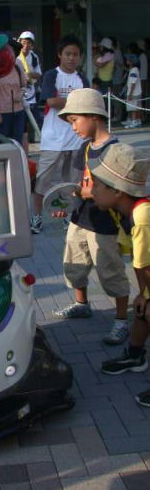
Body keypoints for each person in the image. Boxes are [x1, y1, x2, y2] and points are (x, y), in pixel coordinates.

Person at [51, 88, 130, 345]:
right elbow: (78, 182)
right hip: (80, 218)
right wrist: (66, 201)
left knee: (110, 272)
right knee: (74, 263)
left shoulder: (117, 152)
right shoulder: (84, 148)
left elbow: (120, 192)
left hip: (105, 225)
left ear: (94, 116)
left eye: (75, 120)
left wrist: (86, 192)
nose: (73, 127)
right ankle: (81, 304)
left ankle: (121, 320)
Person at [90, 144, 150, 406]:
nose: (91, 191)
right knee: (143, 309)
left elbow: (147, 266)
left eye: (96, 186)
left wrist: (147, 295)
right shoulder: (123, 212)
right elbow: (140, 262)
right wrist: (143, 294)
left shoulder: (143, 215)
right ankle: (135, 356)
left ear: (117, 191)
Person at [30, 34, 89, 234]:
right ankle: (36, 217)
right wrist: (77, 100)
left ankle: (68, 216)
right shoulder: (51, 75)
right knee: (43, 181)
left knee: (71, 182)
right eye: (68, 54)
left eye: (75, 54)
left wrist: (69, 101)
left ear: (80, 57)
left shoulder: (82, 78)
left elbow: (88, 103)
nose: (71, 58)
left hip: (77, 139)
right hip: (53, 139)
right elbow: (51, 102)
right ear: (59, 55)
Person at [0, 39, 26, 145]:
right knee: (2, 142)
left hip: (18, 111)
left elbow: (24, 85)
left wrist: (20, 94)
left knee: (17, 142)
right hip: (2, 112)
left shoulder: (18, 64)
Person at [17, 31, 42, 155]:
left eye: (28, 43)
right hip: (18, 95)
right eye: (24, 42)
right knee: (21, 126)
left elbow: (38, 74)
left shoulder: (34, 57)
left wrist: (28, 74)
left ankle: (32, 143)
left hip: (31, 94)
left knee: (34, 120)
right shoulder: (15, 56)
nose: (26, 46)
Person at [123, 53, 142, 129]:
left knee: (133, 108)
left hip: (134, 93)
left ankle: (134, 121)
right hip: (136, 92)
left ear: (131, 61)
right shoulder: (134, 69)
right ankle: (137, 121)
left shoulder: (134, 70)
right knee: (136, 107)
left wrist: (130, 94)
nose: (126, 60)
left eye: (128, 59)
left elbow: (133, 83)